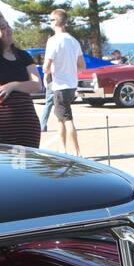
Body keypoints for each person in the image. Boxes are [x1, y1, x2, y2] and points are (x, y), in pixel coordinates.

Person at [0, 8, 43, 147]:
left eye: (8, 25)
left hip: (26, 123)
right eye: (3, 27)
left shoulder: (23, 55)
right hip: (0, 124)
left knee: (24, 166)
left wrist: (12, 85)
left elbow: (37, 84)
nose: (8, 29)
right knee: (2, 166)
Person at [42, 8, 86, 156]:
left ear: (55, 21)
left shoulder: (53, 41)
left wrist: (47, 72)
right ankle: (62, 148)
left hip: (60, 86)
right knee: (61, 118)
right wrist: (69, 68)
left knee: (67, 118)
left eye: (51, 20)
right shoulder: (74, 41)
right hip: (71, 85)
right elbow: (82, 66)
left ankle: (77, 151)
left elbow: (46, 66)